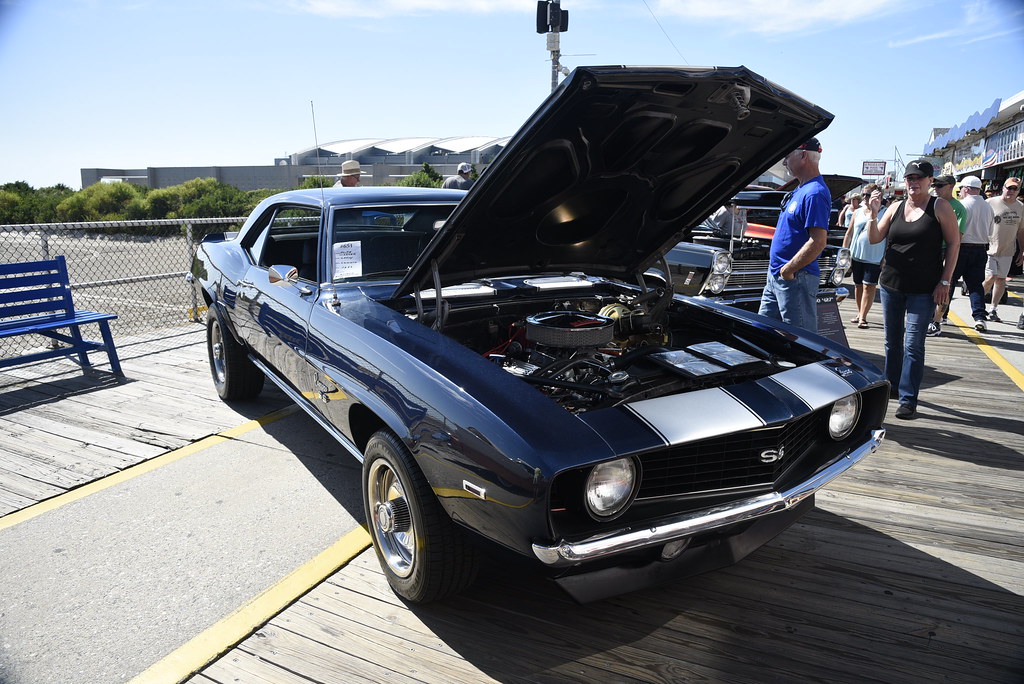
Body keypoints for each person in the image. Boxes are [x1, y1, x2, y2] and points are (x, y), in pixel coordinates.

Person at [866, 160, 959, 419]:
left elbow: (953, 244)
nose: (913, 182)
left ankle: (908, 398)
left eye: (919, 178)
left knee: (913, 344)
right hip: (891, 285)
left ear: (931, 181)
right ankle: (891, 387)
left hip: (924, 288)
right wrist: (873, 214)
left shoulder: (940, 207)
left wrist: (945, 280)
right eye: (909, 178)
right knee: (891, 342)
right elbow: (875, 238)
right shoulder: (895, 207)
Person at [758, 137, 829, 332]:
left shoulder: (814, 192)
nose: (784, 162)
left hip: (795, 277)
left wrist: (788, 270)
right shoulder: (801, 189)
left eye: (788, 156)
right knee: (760, 332)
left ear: (803, 155)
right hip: (778, 276)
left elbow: (818, 241)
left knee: (802, 340)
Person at [926, 175, 968, 336]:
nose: (935, 188)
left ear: (950, 186)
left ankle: (936, 321)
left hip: (944, 250)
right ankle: (926, 316)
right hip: (928, 250)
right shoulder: (929, 202)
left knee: (944, 286)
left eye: (940, 185)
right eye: (934, 185)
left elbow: (957, 238)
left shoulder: (958, 208)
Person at [957, 175, 996, 330]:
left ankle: (941, 315)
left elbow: (956, 231)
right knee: (975, 285)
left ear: (966, 189)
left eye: (961, 189)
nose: (960, 192)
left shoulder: (962, 205)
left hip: (961, 248)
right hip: (981, 248)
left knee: (950, 282)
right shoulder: (988, 207)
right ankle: (980, 317)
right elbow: (991, 230)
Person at [842, 184, 885, 328]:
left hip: (875, 255)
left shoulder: (884, 212)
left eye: (869, 195)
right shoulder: (858, 211)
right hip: (856, 255)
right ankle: (859, 313)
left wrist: (885, 256)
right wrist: (844, 252)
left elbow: (889, 236)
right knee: (858, 285)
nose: (865, 198)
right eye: (864, 195)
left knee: (869, 286)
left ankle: (863, 317)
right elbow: (849, 233)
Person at [983, 177, 1024, 323]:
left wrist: (1022, 251)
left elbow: (1021, 231)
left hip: (1008, 250)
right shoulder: (990, 203)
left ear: (1018, 191)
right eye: (1009, 188)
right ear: (1003, 188)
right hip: (989, 248)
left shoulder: (1020, 207)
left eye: (1015, 189)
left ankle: (993, 309)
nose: (1011, 191)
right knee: (990, 277)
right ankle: (978, 304)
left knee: (1001, 279)